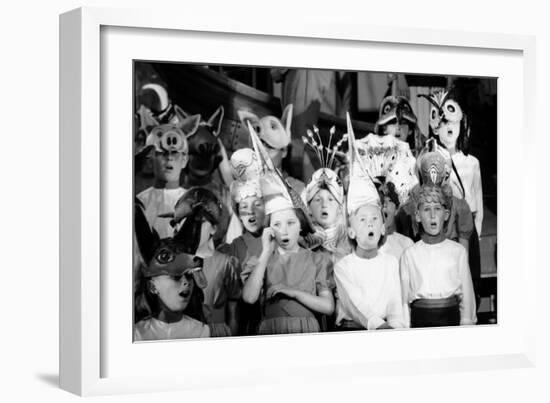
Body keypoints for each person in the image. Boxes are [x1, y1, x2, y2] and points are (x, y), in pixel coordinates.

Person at [241, 122, 334, 335]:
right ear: (269, 228)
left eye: (290, 223)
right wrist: (265, 253)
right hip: (272, 332)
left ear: (300, 225)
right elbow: (249, 298)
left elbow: (328, 307)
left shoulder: (315, 259)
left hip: (306, 330)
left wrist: (292, 293)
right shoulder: (261, 260)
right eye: (277, 224)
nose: (284, 231)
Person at [333, 113, 406, 331]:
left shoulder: (390, 263)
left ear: (383, 226)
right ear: (352, 231)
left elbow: (395, 302)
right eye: (362, 220)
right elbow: (356, 305)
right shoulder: (343, 266)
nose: (370, 224)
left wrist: (397, 326)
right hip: (353, 331)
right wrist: (379, 326)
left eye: (375, 219)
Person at [400, 184, 477, 328]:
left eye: (437, 209)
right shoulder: (409, 255)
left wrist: (467, 325)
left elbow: (467, 296)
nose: (432, 215)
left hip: (450, 319)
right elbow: (404, 301)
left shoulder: (458, 251)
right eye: (427, 209)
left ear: (446, 214)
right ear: (417, 216)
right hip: (420, 321)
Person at [171, 187, 242, 337]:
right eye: (184, 222)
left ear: (213, 228)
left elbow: (234, 313)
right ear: (177, 226)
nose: (192, 229)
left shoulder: (226, 263)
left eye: (200, 223)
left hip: (215, 334)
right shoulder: (168, 264)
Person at [133, 201, 210, 341]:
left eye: (189, 276)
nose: (186, 283)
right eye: (176, 277)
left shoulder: (202, 331)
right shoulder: (137, 334)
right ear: (152, 286)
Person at [218, 148, 266, 335]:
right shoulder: (232, 250)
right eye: (244, 206)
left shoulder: (280, 242)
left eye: (257, 204)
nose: (250, 212)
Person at [136, 123, 192, 239]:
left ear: (184, 160)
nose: (169, 158)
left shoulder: (194, 203)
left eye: (175, 152)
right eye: (162, 153)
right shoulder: (138, 204)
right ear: (150, 160)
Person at [237, 105, 305, 195]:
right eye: (256, 151)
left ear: (284, 151)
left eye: (268, 148)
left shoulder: (298, 189)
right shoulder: (243, 184)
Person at [378, 181, 414, 261]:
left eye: (389, 201)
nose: (385, 204)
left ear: (397, 209)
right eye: (381, 201)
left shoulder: (407, 244)